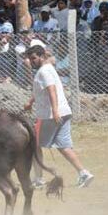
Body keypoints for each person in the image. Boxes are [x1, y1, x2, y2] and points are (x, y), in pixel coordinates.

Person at [24, 45, 94, 188]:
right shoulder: (48, 68)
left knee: (34, 146)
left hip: (49, 116)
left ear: (42, 56)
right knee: (64, 147)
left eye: (34, 59)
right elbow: (41, 90)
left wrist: (54, 111)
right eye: (30, 59)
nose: (32, 62)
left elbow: (52, 90)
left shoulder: (44, 71)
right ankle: (84, 173)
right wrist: (31, 102)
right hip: (64, 113)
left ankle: (38, 180)